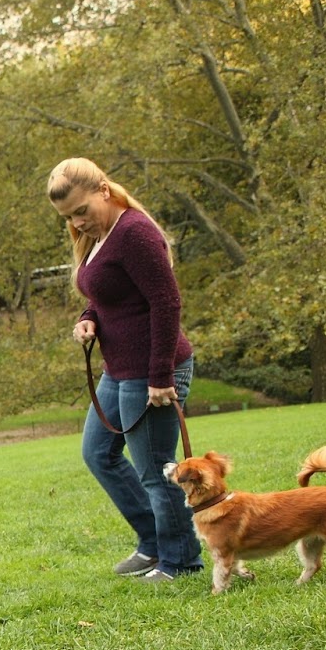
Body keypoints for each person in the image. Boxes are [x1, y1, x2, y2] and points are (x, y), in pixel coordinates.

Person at [48, 158, 203, 582]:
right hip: (118, 370)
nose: (78, 223)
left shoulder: (134, 232)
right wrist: (88, 318)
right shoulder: (99, 237)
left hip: (152, 370)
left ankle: (181, 561)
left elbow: (166, 303)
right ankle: (155, 543)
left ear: (103, 189)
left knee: (155, 468)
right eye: (68, 218)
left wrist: (160, 378)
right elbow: (106, 293)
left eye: (81, 211)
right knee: (98, 453)